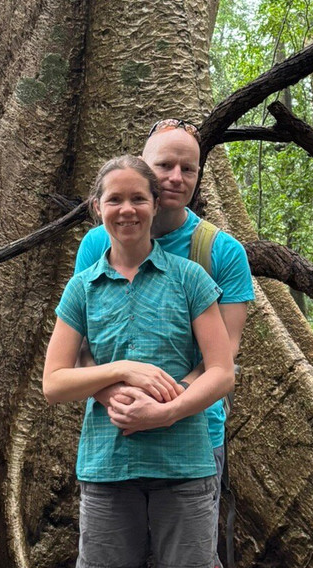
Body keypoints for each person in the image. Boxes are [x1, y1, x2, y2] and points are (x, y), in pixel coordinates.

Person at [43, 155, 234, 567]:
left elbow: (221, 372)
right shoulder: (82, 288)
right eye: (115, 200)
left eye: (138, 199)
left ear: (154, 204)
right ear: (98, 207)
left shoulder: (190, 279)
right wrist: (121, 370)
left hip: (184, 464)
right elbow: (54, 382)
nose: (126, 210)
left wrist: (167, 412)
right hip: (108, 468)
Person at [74, 120, 254, 507]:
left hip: (195, 434)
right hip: (113, 430)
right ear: (142, 167)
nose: (176, 178)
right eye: (164, 166)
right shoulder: (96, 244)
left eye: (188, 169)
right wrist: (117, 397)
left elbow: (223, 356)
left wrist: (164, 409)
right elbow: (81, 344)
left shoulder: (222, 252)